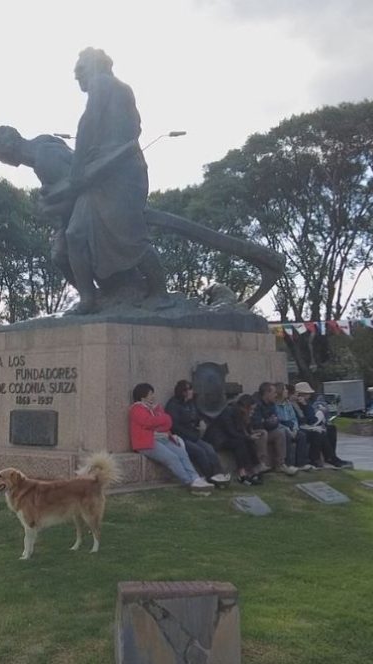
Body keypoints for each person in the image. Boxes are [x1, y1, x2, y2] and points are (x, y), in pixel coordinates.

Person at [55, 48, 164, 314]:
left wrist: (77, 169)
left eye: (80, 69)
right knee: (75, 235)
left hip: (121, 174)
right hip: (99, 176)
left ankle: (160, 292)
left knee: (130, 237)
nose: (77, 75)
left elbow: (89, 123)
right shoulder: (112, 89)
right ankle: (89, 299)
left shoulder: (103, 82)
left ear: (95, 66)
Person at [129, 383, 212, 492]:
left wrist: (160, 419)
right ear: (142, 397)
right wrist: (161, 419)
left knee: (181, 453)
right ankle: (189, 482)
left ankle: (196, 478)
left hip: (161, 438)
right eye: (150, 394)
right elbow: (149, 422)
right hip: (146, 443)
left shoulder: (155, 408)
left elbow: (168, 423)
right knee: (172, 458)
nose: (153, 396)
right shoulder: (136, 409)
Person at [164, 380, 231, 486]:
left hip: (193, 435)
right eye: (189, 389)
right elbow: (175, 426)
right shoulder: (173, 405)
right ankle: (210, 476)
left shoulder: (191, 403)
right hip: (181, 437)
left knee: (209, 448)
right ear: (183, 392)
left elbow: (197, 415)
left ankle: (219, 473)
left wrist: (200, 421)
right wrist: (191, 434)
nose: (192, 391)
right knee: (200, 452)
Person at [206, 394, 265, 485]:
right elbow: (231, 432)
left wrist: (250, 435)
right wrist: (248, 437)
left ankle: (255, 469)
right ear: (245, 408)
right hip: (218, 439)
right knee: (240, 443)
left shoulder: (241, 414)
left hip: (227, 437)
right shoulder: (228, 412)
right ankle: (242, 474)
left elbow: (241, 431)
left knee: (247, 442)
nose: (253, 412)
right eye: (251, 409)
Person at [292, 382, 352, 469]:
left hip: (308, 425)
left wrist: (305, 405)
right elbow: (305, 420)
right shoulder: (294, 405)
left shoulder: (306, 404)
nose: (309, 396)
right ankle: (323, 458)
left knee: (331, 428)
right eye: (306, 394)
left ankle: (332, 456)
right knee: (319, 433)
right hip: (302, 427)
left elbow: (312, 418)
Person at [252, 383, 298, 476]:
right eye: (274, 393)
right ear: (267, 393)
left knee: (280, 432)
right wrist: (269, 421)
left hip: (268, 429)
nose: (276, 395)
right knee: (263, 433)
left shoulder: (271, 404)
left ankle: (280, 464)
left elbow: (276, 421)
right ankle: (261, 464)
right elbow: (256, 424)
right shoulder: (256, 403)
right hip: (254, 431)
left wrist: (267, 421)